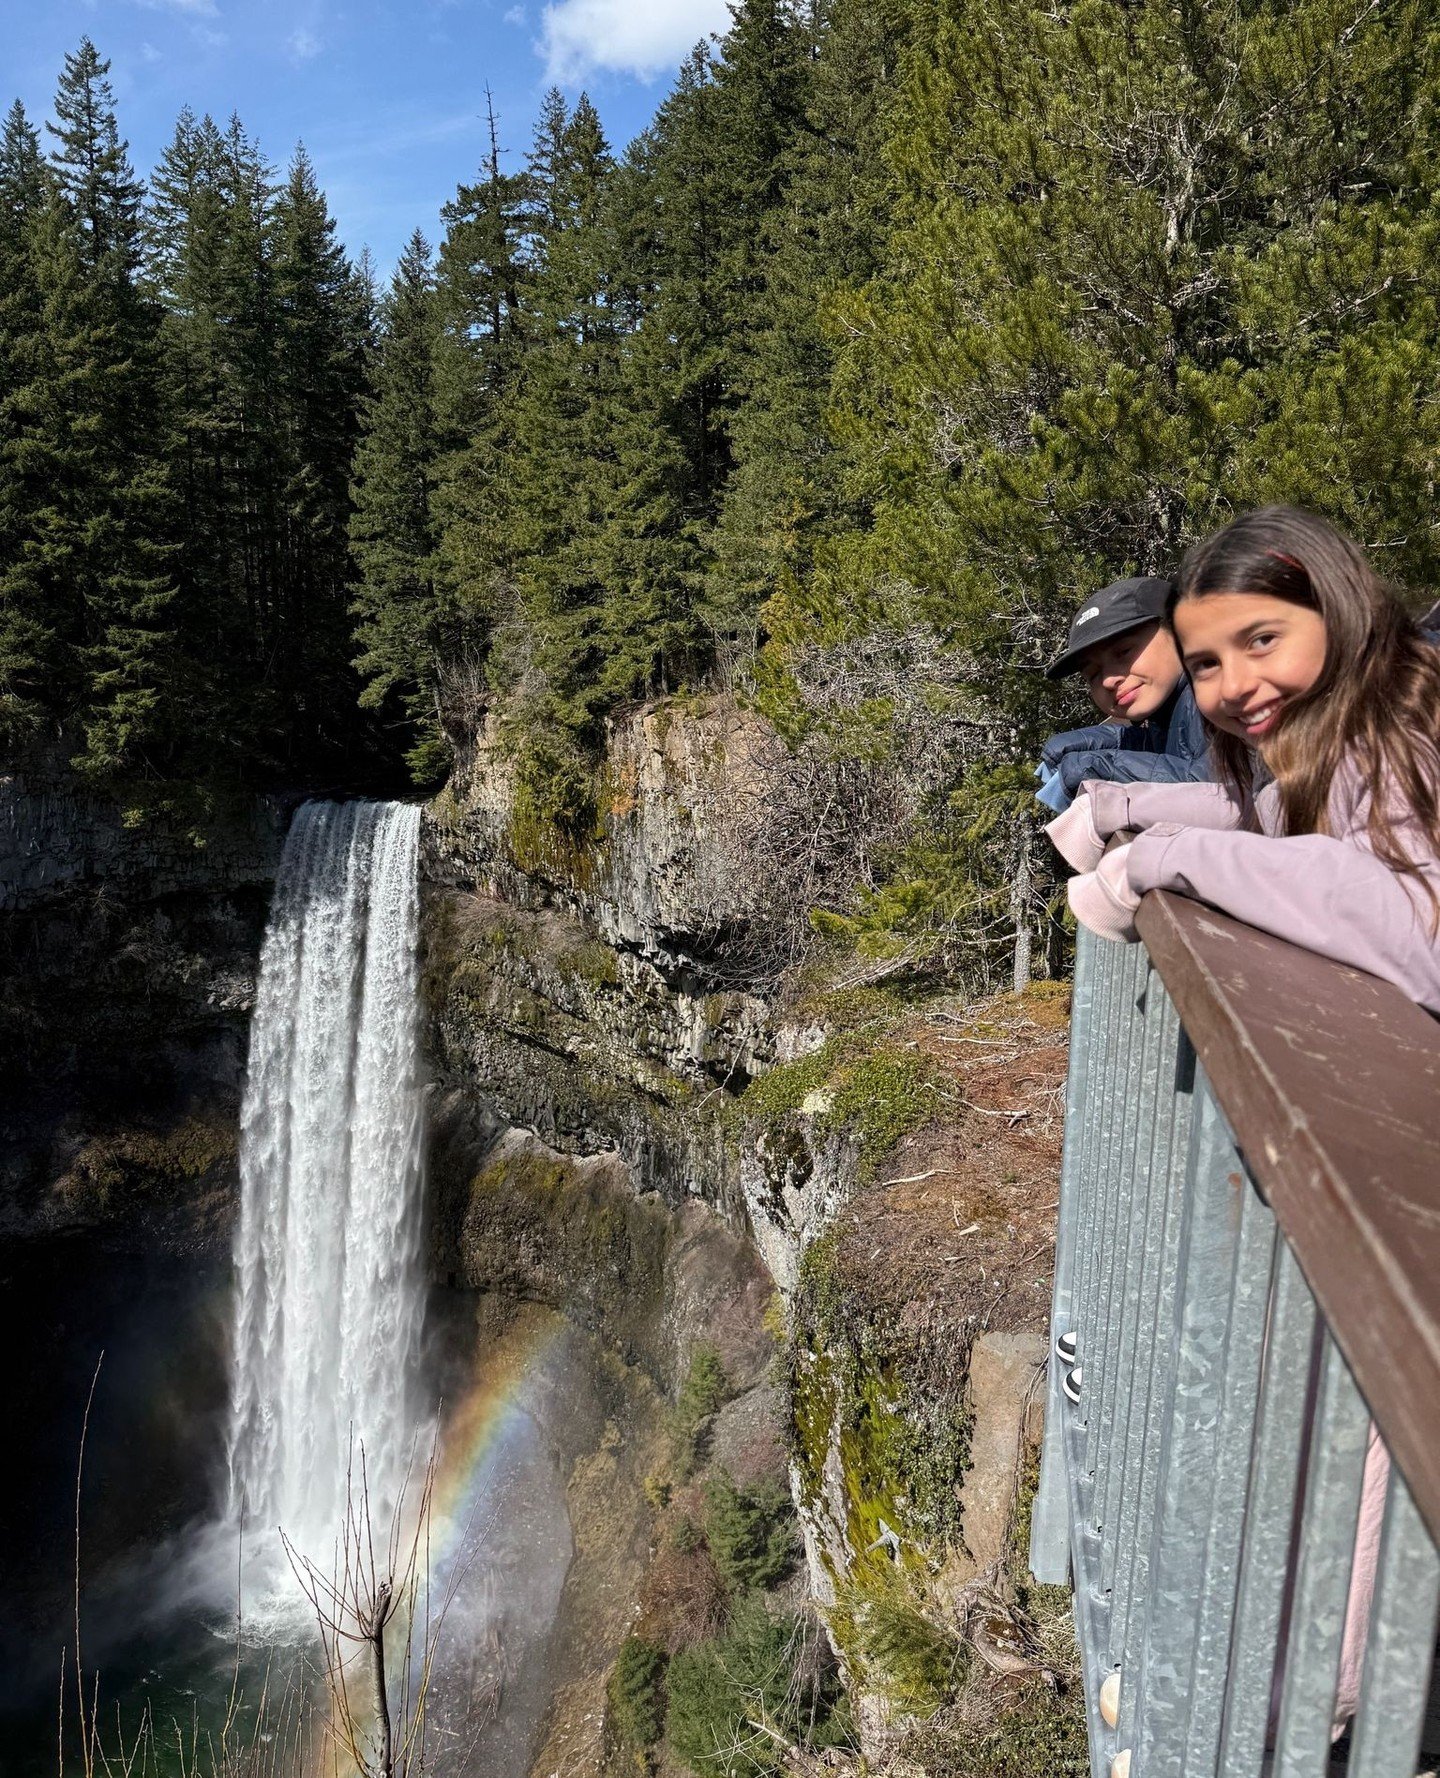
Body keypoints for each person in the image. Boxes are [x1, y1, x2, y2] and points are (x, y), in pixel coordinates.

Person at [1048, 506, 1440, 1015]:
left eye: (1262, 640)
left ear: (1340, 614)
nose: (1233, 686)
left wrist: (1166, 856)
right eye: (1206, 664)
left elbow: (1421, 929)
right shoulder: (1299, 742)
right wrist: (1115, 807)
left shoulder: (1400, 737)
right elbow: (1254, 809)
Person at [1035, 575, 1209, 812]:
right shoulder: (1168, 710)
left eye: (1124, 652)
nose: (1108, 680)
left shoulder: (1216, 697)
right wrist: (1109, 742)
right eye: (1093, 674)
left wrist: (1101, 766)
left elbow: (1219, 790)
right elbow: (1178, 751)